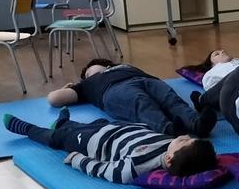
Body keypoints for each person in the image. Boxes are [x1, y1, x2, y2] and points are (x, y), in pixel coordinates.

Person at [2, 108, 217, 183]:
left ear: (169, 159)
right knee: (81, 125)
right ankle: (62, 121)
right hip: (111, 128)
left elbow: (104, 170)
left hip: (91, 144)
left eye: (185, 142)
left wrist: (78, 160)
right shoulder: (171, 145)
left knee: (58, 138)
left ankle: (26, 128)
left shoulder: (136, 167)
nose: (185, 136)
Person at [45, 58, 215, 137]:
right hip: (115, 90)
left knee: (170, 99)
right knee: (141, 104)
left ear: (106, 65)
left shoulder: (123, 67)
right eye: (87, 74)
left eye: (90, 69)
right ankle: (168, 129)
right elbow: (53, 99)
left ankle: (196, 123)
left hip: (148, 81)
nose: (89, 73)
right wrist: (68, 87)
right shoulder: (87, 85)